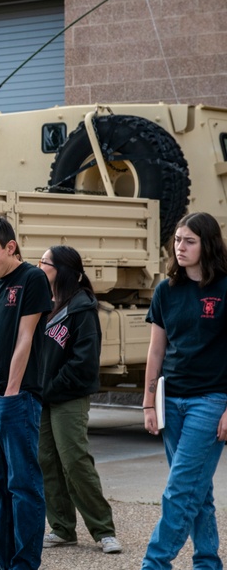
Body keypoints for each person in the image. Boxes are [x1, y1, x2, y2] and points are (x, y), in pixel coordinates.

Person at [141, 212, 227, 570]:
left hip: (210, 401)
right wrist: (148, 403)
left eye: (189, 241)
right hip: (171, 400)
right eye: (177, 240)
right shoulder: (166, 290)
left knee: (180, 490)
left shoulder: (224, 288)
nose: (180, 247)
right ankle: (207, 562)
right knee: (197, 491)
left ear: (207, 244)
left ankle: (154, 563)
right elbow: (156, 350)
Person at [0, 214, 53, 570]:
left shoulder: (32, 279)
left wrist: (10, 393)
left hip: (16, 398)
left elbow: (25, 340)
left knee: (24, 487)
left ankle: (24, 563)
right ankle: (2, 561)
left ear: (11, 247)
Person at [35, 246, 121, 554]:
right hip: (42, 396)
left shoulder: (82, 308)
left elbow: (83, 361)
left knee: (74, 461)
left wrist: (52, 387)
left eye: (43, 263)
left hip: (68, 396)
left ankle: (103, 529)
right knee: (47, 461)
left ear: (62, 270)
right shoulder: (45, 303)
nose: (38, 267)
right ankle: (62, 528)